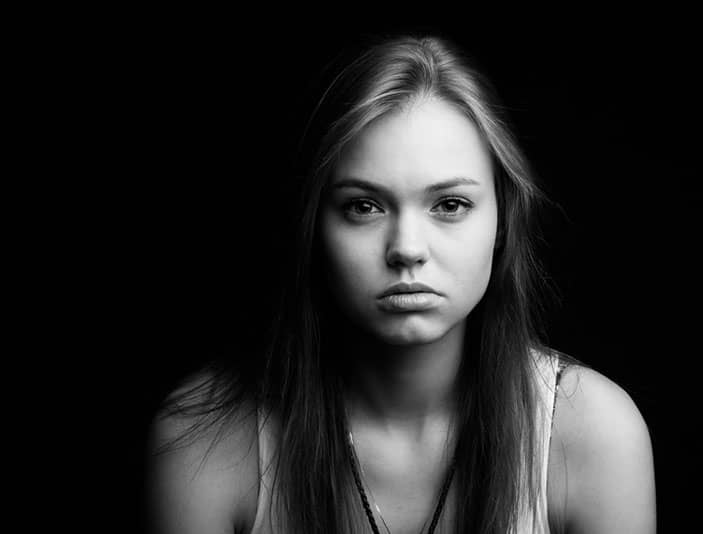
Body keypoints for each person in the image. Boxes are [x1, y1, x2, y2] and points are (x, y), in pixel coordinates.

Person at [146, 33, 656, 534]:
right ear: (313, 226)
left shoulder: (591, 433)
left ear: (503, 221)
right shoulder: (205, 442)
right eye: (363, 206)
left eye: (450, 205)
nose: (407, 248)